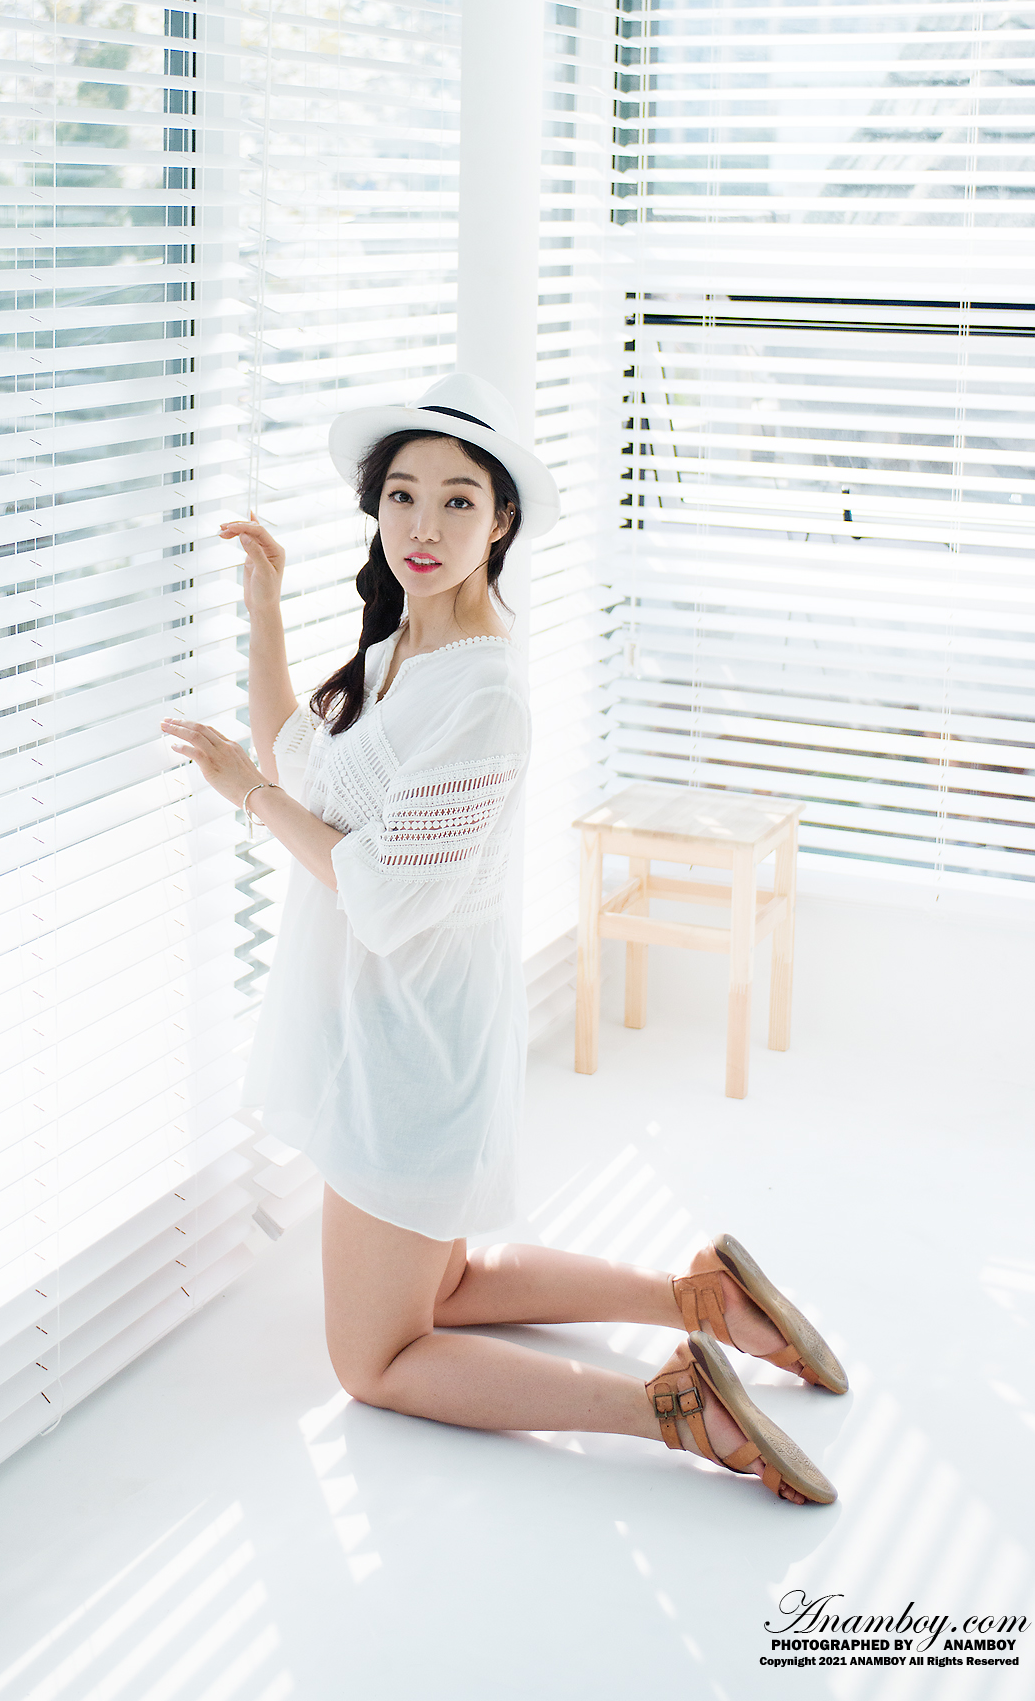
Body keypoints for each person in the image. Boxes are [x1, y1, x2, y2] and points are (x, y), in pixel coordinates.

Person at [162, 372, 841, 1506]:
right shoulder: (401, 650)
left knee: (375, 1359)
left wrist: (246, 796)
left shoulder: (483, 697)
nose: (423, 525)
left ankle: (676, 1407)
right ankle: (699, 1300)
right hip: (380, 1030)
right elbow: (302, 766)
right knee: (451, 1280)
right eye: (403, 495)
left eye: (458, 500)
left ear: (503, 519)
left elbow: (376, 892)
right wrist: (266, 609)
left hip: (412, 1051)